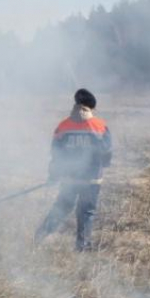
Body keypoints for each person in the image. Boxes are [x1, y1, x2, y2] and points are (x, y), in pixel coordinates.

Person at [35, 89, 112, 251]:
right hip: (91, 180)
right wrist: (103, 164)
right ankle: (82, 247)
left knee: (62, 207)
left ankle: (41, 235)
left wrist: (53, 175)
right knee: (86, 212)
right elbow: (107, 153)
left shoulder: (63, 126)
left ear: (76, 105)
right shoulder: (100, 126)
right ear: (92, 108)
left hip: (69, 179)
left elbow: (56, 153)